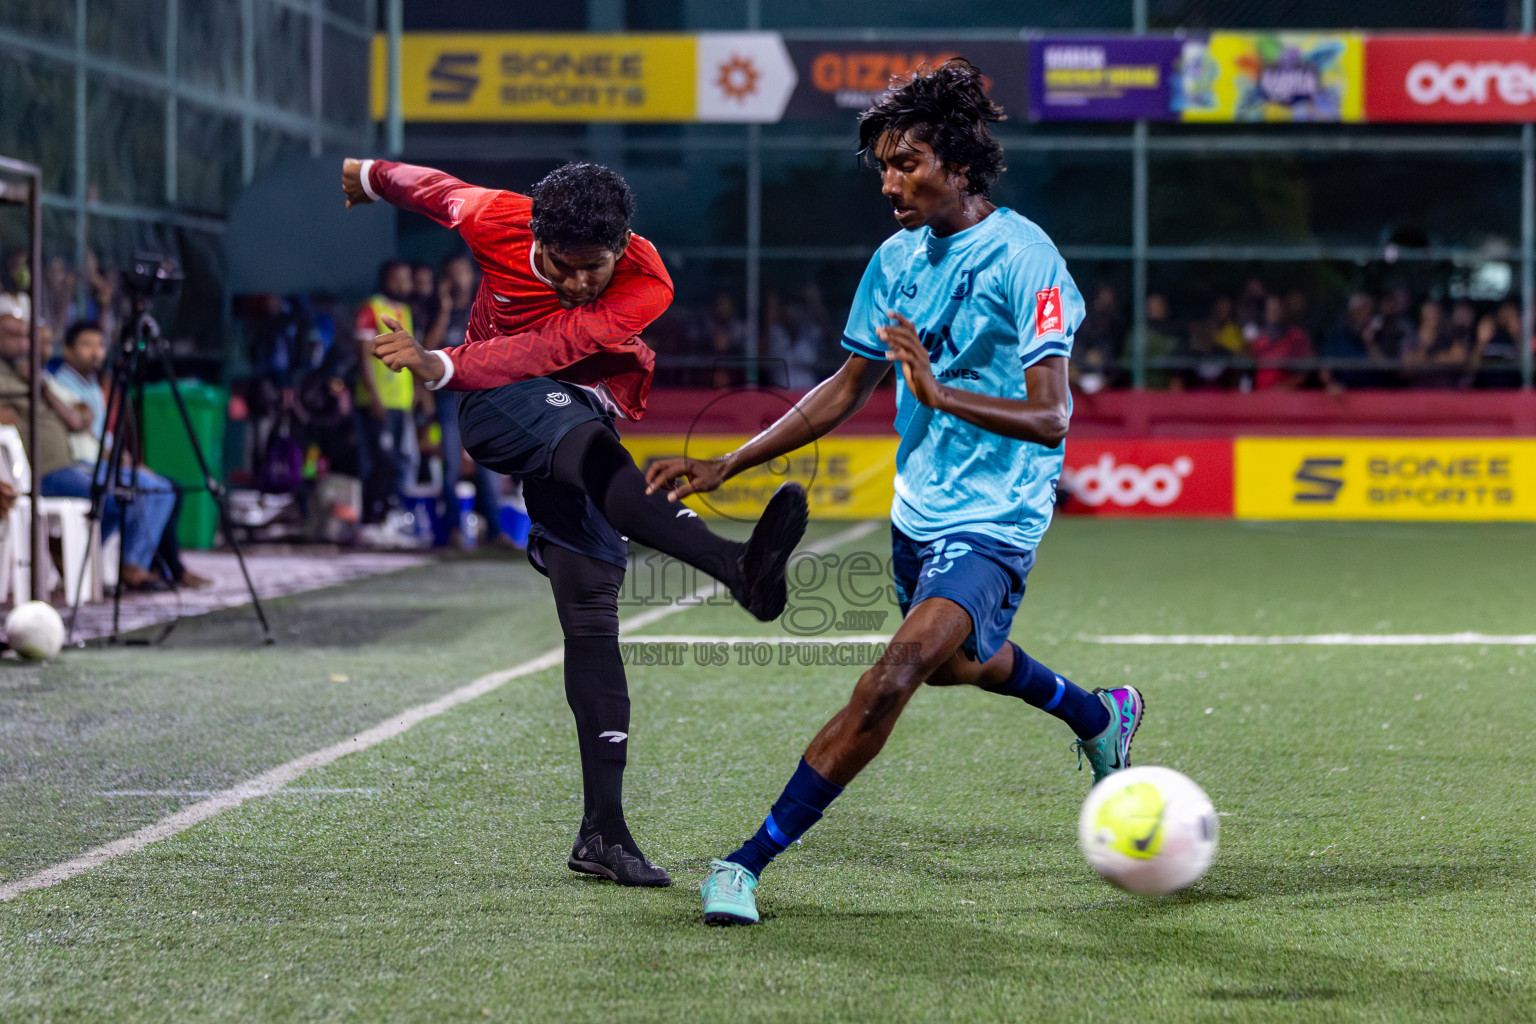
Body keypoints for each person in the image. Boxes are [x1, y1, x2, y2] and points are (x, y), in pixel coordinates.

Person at [644, 59, 1144, 926]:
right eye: (881, 166)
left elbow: (1054, 415)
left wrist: (943, 394)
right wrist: (730, 462)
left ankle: (746, 862)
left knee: (894, 676)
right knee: (955, 665)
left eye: (906, 162)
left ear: (958, 163)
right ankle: (1097, 714)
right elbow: (846, 386)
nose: (890, 182)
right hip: (919, 513)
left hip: (995, 520)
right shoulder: (897, 258)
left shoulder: (1029, 260)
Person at [341, 155, 810, 887]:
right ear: (537, 234)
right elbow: (435, 191)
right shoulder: (495, 218)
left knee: (593, 607)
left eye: (596, 268)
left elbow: (557, 347)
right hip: (497, 403)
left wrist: (438, 363)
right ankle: (734, 567)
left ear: (623, 245)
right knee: (591, 450)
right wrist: (368, 175)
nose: (581, 283)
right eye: (566, 267)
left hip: (562, 399)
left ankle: (603, 833)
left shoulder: (645, 278)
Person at [0, 308, 174, 592]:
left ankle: (79, 560)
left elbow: (79, 419)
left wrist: (42, 387)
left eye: (25, 336)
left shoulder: (34, 377)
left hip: (70, 464)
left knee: (133, 497)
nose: (22, 343)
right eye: (12, 335)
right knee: (120, 495)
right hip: (45, 471)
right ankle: (95, 563)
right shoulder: (8, 379)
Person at [47, 321, 210, 588]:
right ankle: (130, 564)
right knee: (139, 491)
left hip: (103, 460)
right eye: (86, 345)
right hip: (81, 464)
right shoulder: (57, 384)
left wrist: (124, 458)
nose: (95, 352)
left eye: (99, 345)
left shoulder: (94, 386)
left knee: (165, 489)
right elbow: (82, 428)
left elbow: (100, 433)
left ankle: (143, 563)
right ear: (67, 350)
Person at [422, 253, 514, 550]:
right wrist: (444, 310)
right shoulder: (436, 311)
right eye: (450, 274)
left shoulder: (484, 309)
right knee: (450, 466)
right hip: (449, 400)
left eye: (461, 273)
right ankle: (453, 532)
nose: (456, 279)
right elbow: (425, 352)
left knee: (487, 464)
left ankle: (494, 531)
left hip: (481, 398)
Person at [354, 260, 418, 525]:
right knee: (382, 461)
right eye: (397, 278)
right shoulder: (371, 309)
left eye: (406, 278)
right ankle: (369, 519)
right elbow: (363, 357)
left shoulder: (404, 310)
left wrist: (412, 395)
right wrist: (375, 397)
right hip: (376, 401)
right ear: (385, 279)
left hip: (400, 402)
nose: (403, 284)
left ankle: (387, 518)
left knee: (399, 462)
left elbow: (411, 356)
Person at [1248, 294, 1311, 390]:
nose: (1273, 312)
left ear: (1284, 310)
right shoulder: (1258, 340)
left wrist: (1285, 387)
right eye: (1270, 309)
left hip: (1287, 398)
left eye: (1277, 308)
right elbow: (1249, 368)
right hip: (1260, 398)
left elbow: (1305, 372)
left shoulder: (1297, 336)